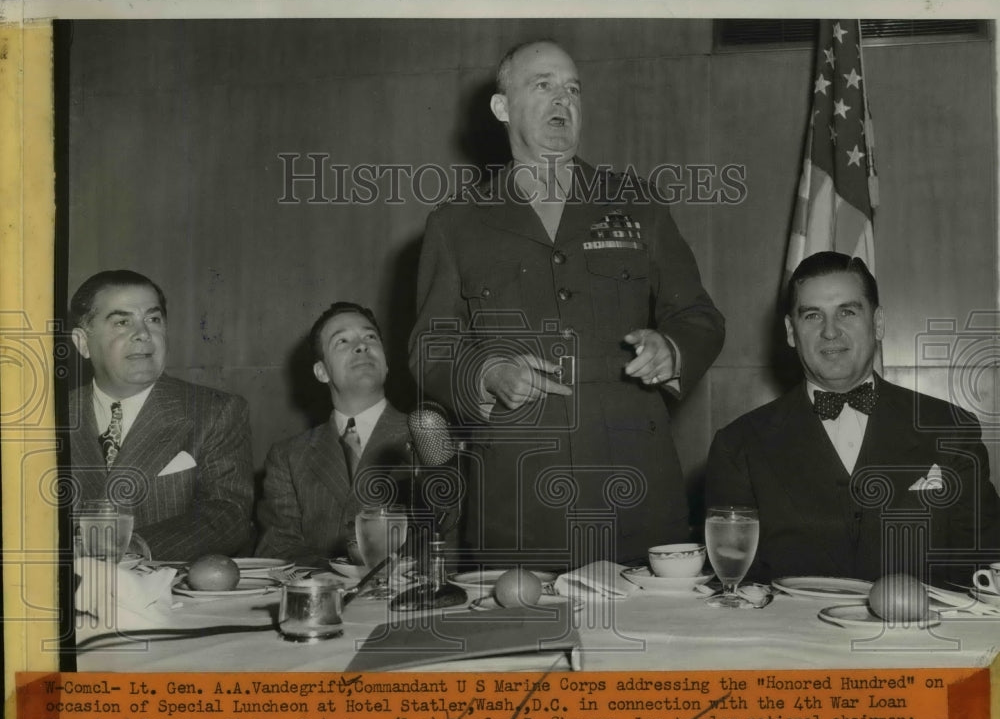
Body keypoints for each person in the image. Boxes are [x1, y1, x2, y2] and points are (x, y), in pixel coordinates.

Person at [408, 40, 725, 568]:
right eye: (544, 85)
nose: (564, 100)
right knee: (522, 644)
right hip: (518, 498)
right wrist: (487, 372)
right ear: (502, 107)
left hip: (636, 491)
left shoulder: (637, 202)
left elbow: (699, 316)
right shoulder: (456, 222)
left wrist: (673, 347)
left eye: (573, 88)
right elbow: (428, 350)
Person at [706, 251, 999, 583]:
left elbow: (983, 566)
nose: (831, 331)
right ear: (791, 331)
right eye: (813, 315)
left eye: (847, 312)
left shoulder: (951, 429)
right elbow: (736, 583)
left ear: (878, 324)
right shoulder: (738, 446)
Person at [67, 270, 253, 560]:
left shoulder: (214, 411)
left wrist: (137, 547)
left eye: (153, 320)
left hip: (169, 593)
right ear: (82, 343)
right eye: (122, 322)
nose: (143, 334)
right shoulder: (47, 420)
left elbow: (229, 515)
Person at [255, 302, 411, 566]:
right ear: (322, 372)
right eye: (342, 341)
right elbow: (277, 550)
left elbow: (448, 541)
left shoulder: (428, 437)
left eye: (370, 336)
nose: (362, 346)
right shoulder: (288, 457)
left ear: (386, 364)